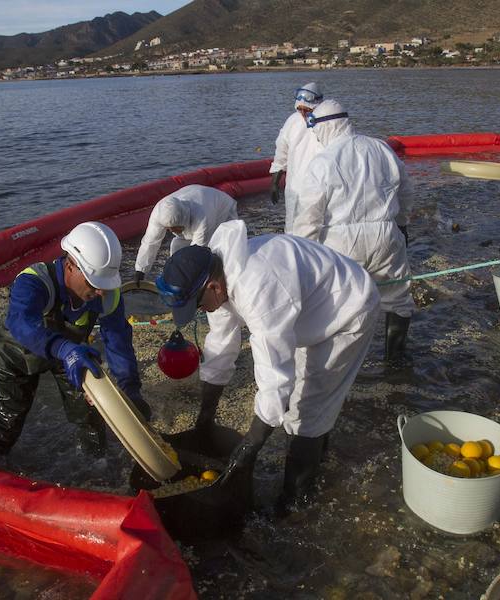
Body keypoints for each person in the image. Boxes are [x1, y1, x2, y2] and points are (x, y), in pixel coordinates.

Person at [156, 220, 379, 510]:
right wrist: (204, 422)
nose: (201, 311)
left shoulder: (260, 289)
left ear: (212, 286)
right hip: (308, 312)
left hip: (348, 311)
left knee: (306, 409)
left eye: (198, 304)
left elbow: (275, 381)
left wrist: (250, 446)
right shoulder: (217, 279)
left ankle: (296, 503)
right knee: (304, 403)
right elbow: (221, 348)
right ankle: (318, 455)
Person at [0, 221, 148, 462]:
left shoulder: (107, 294)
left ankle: (97, 465)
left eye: (106, 283)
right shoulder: (34, 281)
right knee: (10, 414)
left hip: (71, 358)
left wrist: (130, 389)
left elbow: (118, 342)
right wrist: (63, 348)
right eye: (95, 283)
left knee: (90, 413)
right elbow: (22, 323)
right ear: (71, 266)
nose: (101, 291)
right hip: (18, 354)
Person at [293, 99, 416, 366]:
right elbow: (406, 190)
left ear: (324, 127)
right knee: (397, 298)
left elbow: (308, 217)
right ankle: (395, 361)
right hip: (386, 235)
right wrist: (402, 224)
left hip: (341, 243)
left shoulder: (323, 161)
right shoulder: (381, 148)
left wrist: (303, 257)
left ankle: (340, 366)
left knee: (339, 304)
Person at [132, 184, 237, 283]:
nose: (172, 231)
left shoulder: (203, 218)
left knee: (220, 251)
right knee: (177, 251)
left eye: (175, 228)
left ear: (183, 220)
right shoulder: (159, 212)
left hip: (222, 211)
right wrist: (141, 270)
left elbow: (197, 251)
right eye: (169, 229)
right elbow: (150, 242)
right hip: (195, 195)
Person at [269, 82, 325, 233]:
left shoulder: (327, 122)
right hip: (295, 185)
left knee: (317, 227)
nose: (303, 113)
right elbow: (282, 154)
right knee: (293, 226)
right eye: (299, 109)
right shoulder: (292, 122)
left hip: (319, 186)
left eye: (306, 109)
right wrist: (275, 183)